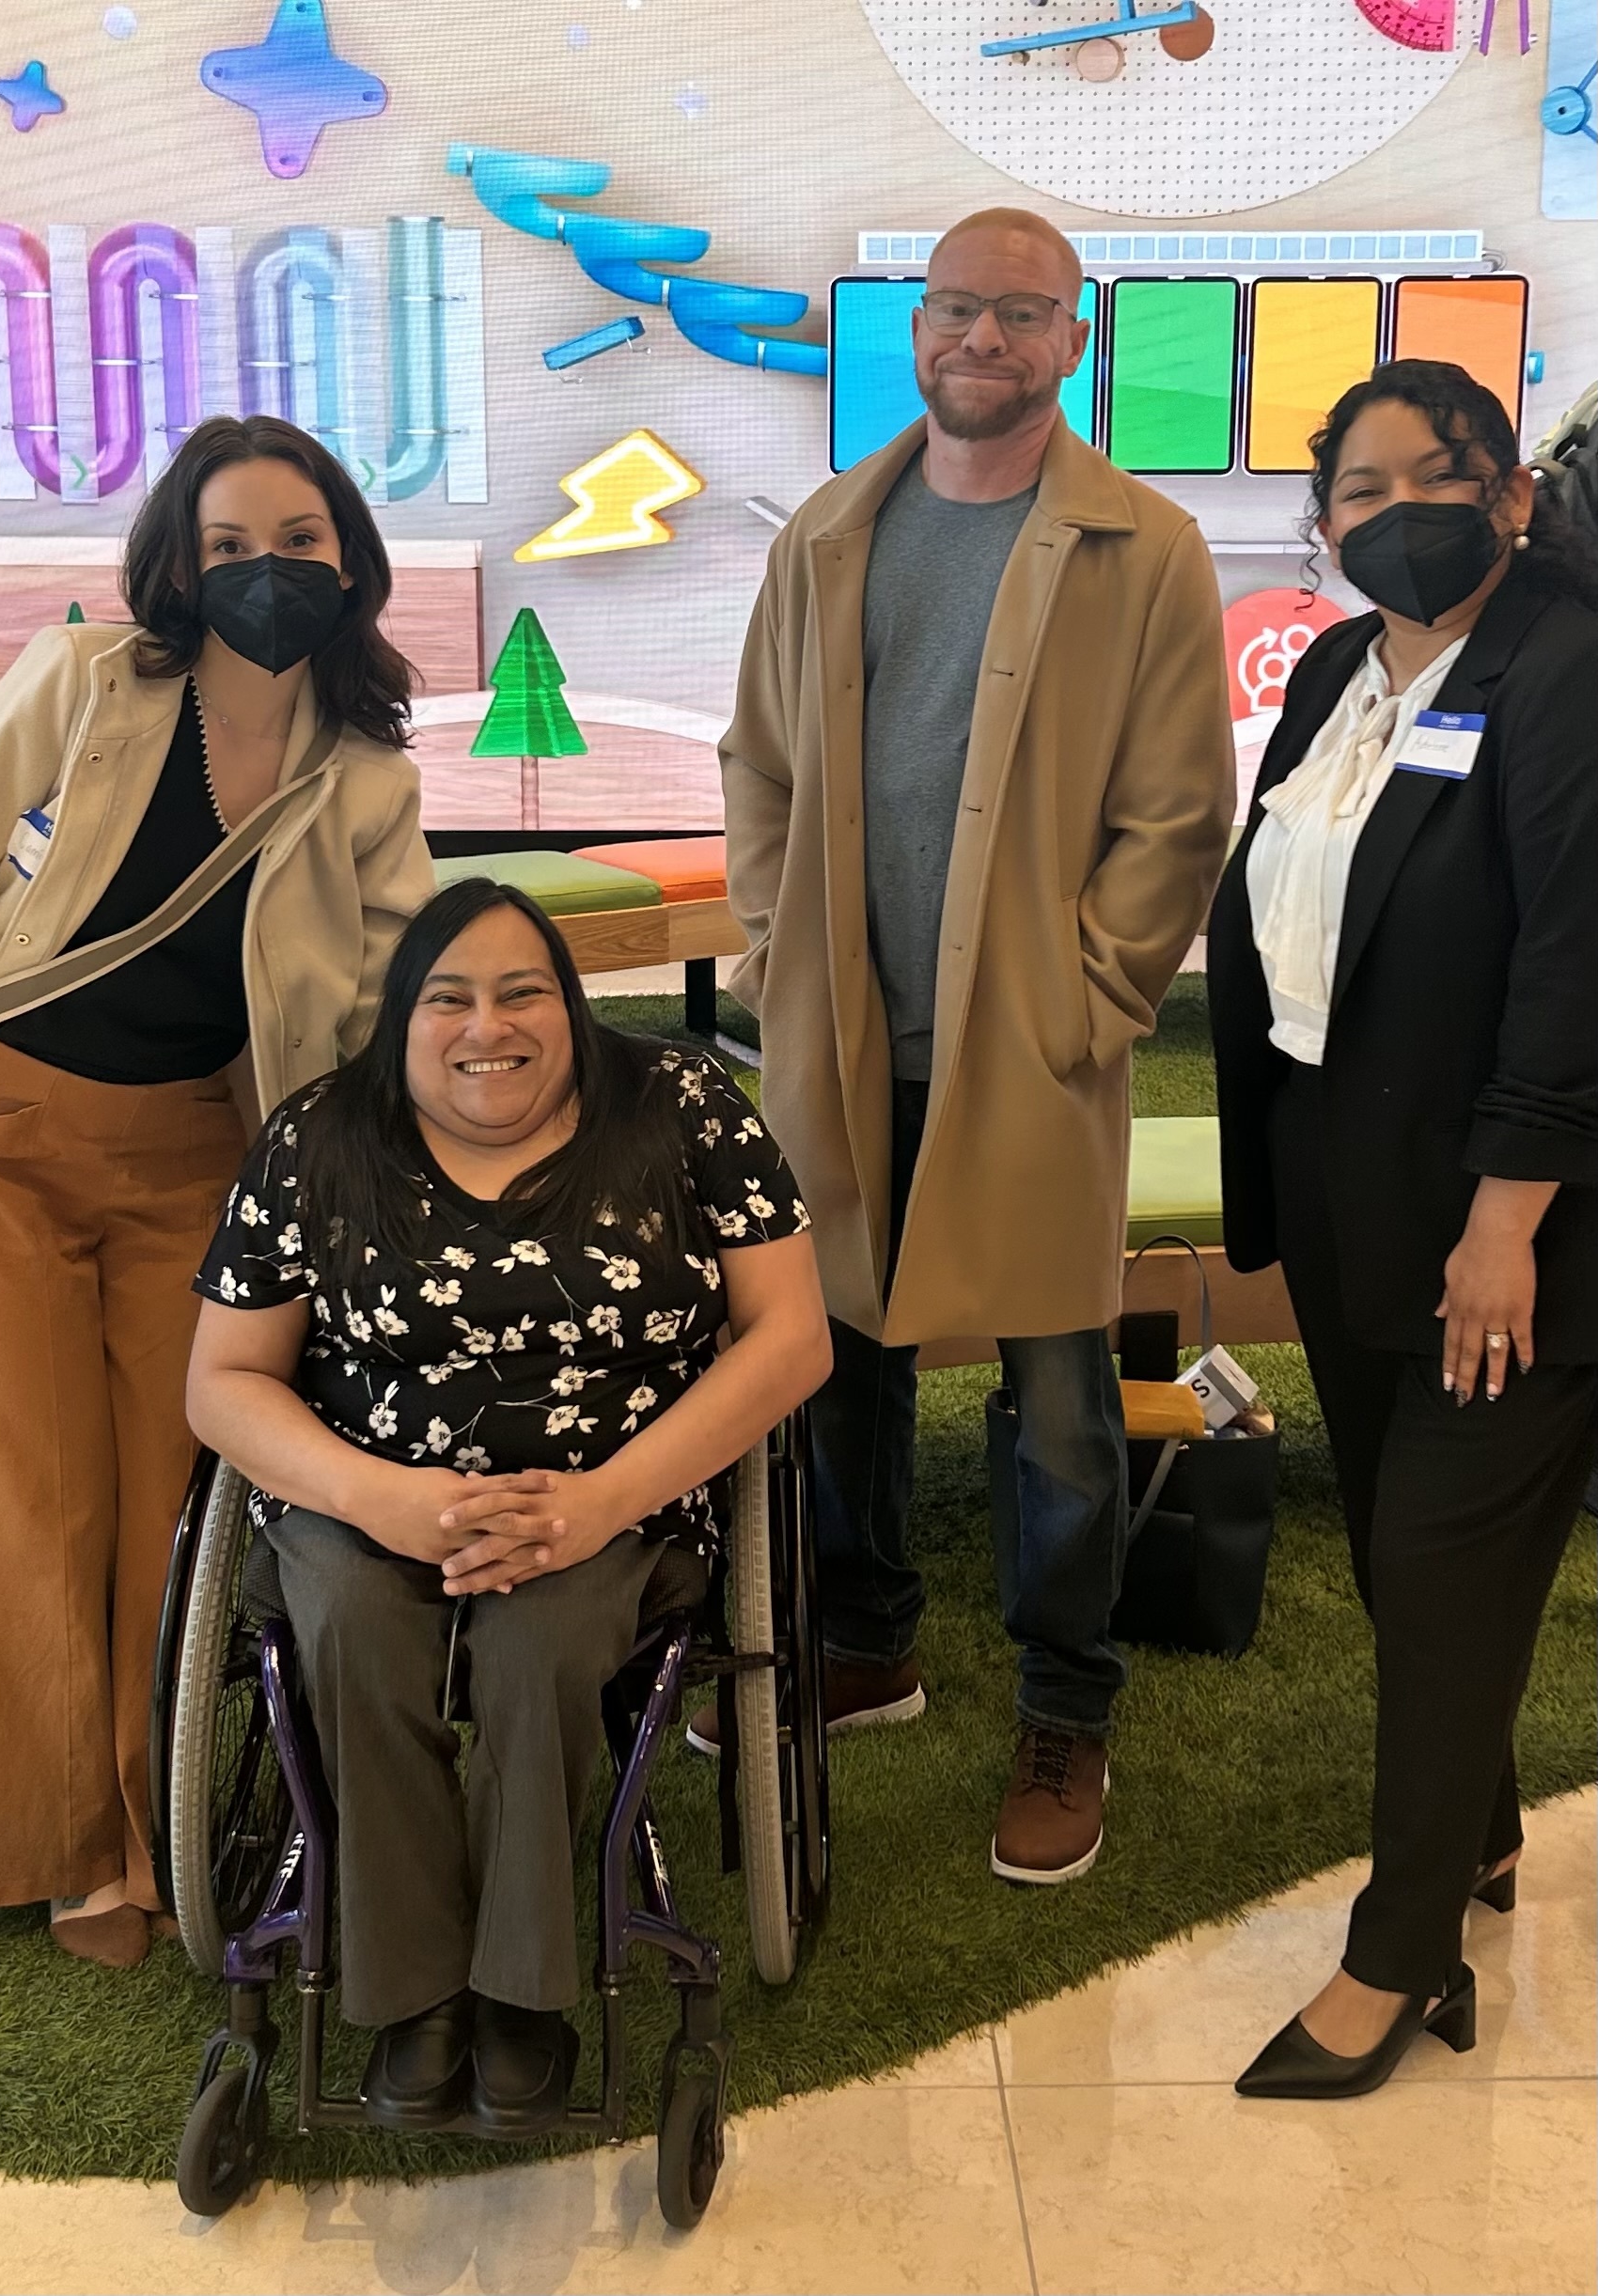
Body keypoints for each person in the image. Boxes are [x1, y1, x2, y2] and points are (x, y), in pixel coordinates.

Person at [0, 414, 434, 1967]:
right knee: (3, 1506)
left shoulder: (367, 773)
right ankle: (55, 1848)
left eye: (294, 542)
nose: (262, 573)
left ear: (348, 558)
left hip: (194, 1164)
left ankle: (157, 1833)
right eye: (224, 547)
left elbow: (375, 1008)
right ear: (175, 565)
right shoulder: (80, 685)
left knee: (173, 1510)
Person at [713, 207, 1233, 1884]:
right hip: (848, 1035)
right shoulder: (828, 536)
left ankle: (1064, 1705)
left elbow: (1175, 816)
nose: (981, 339)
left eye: (1020, 314)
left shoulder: (1140, 551)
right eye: (956, 309)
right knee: (836, 1354)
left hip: (1032, 1046)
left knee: (1059, 1392)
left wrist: (1087, 1001)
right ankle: (871, 1638)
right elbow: (760, 764)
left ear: (1071, 339)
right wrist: (780, 935)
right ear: (917, 330)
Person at [185, 878, 830, 2132]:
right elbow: (224, 1379)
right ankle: (413, 1991)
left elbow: (790, 1338)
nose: (491, 1026)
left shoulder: (682, 1107)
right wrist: (382, 1499)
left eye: (523, 991)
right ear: (403, 1018)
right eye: (451, 998)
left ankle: (523, 1993)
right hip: (358, 1499)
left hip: (614, 1504)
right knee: (360, 1633)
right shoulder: (320, 1135)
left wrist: (602, 1503)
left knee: (540, 1641)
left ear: (570, 1004)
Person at [1209, 360, 1598, 2097]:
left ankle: (1399, 1952)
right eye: (1355, 494)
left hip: (1507, 1232)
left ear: (1511, 495)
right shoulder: (1338, 688)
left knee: (1438, 1577)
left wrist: (1506, 1214)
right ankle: (1485, 1834)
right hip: (1352, 1203)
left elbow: (1572, 963)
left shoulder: (1567, 671)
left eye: (1429, 479)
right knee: (1388, 1553)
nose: (1391, 516)